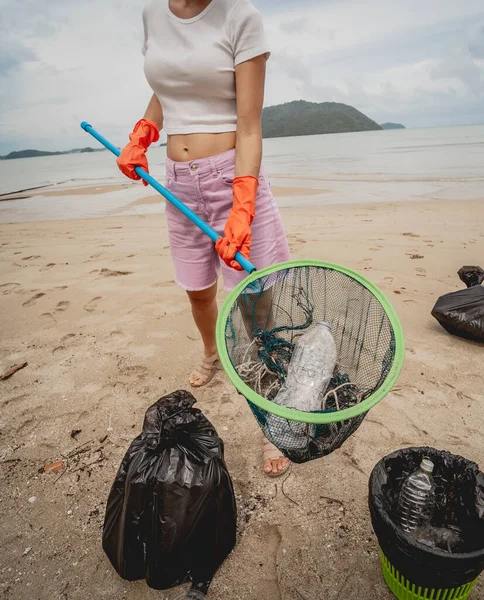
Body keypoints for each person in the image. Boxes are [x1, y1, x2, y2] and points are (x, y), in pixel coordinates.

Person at [116, 0, 290, 477]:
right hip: (177, 183)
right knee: (197, 290)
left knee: (256, 307)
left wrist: (243, 205)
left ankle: (271, 421)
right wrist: (144, 131)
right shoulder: (153, 15)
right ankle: (212, 353)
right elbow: (168, 90)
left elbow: (250, 126)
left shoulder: (241, 17)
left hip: (231, 177)